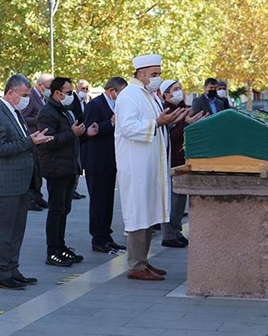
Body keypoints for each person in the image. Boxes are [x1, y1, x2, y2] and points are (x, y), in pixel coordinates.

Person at [115, 54, 187, 281]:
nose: (158, 78)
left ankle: (143, 261)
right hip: (136, 165)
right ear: (141, 74)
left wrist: (170, 120)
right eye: (154, 74)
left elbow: (158, 122)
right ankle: (135, 264)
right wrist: (157, 122)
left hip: (150, 164)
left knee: (148, 211)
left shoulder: (147, 95)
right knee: (138, 211)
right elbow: (127, 127)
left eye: (159, 74)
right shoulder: (129, 95)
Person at [0, 74, 54, 290]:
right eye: (24, 95)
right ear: (10, 93)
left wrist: (35, 141)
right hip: (7, 182)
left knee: (17, 229)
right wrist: (29, 141)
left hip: (22, 182)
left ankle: (12, 268)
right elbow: (0, 149)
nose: (27, 99)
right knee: (4, 230)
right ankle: (1, 272)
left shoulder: (15, 112)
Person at [37, 77, 97, 267]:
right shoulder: (47, 112)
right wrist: (72, 133)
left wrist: (86, 134)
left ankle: (60, 246)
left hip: (69, 167)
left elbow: (74, 138)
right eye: (69, 92)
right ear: (57, 93)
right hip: (56, 168)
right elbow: (47, 142)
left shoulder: (66, 110)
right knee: (56, 211)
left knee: (64, 209)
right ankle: (52, 250)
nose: (72, 96)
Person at [83, 77, 128, 253]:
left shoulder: (118, 106)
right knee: (98, 200)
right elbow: (90, 130)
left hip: (112, 159)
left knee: (108, 199)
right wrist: (110, 123)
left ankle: (106, 234)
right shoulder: (95, 105)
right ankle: (98, 238)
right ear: (112, 91)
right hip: (96, 160)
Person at [159, 79, 203, 248]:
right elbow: (169, 137)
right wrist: (186, 123)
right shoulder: (166, 111)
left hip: (183, 159)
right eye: (175, 89)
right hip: (171, 160)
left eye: (180, 88)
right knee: (172, 200)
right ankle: (168, 235)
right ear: (166, 94)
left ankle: (176, 231)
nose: (179, 92)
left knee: (179, 201)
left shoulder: (182, 108)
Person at [21, 73, 52, 211]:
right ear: (40, 85)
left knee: (38, 171)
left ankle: (38, 196)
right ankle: (30, 199)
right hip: (31, 137)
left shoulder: (43, 97)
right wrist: (41, 120)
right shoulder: (31, 96)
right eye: (48, 87)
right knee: (32, 171)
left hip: (39, 139)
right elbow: (23, 117)